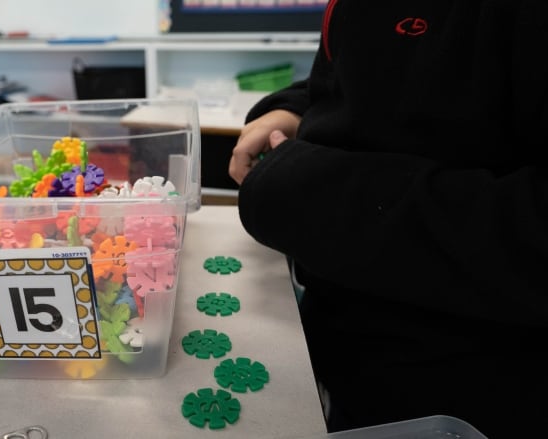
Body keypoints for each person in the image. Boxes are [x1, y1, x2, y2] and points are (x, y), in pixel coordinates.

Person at [228, 2, 548, 437]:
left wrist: (304, 190)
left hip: (473, 404)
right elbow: (372, 85)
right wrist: (294, 110)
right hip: (352, 374)